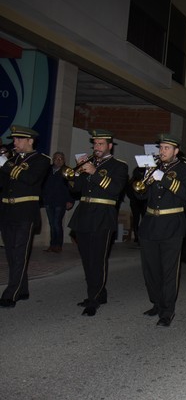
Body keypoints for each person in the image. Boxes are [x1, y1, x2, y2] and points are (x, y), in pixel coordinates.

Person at [135, 134, 186, 327]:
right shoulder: (153, 167)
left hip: (172, 224)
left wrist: (164, 179)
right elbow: (140, 195)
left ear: (176, 151)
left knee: (168, 271)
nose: (162, 152)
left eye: (167, 148)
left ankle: (167, 311)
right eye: (160, 148)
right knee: (150, 269)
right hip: (151, 223)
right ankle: (156, 303)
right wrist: (144, 183)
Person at [67, 129, 128, 317]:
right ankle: (98, 293)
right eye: (95, 144)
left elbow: (115, 190)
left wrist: (94, 173)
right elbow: (76, 190)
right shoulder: (88, 164)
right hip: (83, 215)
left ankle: (93, 299)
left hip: (102, 215)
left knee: (98, 259)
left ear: (110, 146)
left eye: (101, 144)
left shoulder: (119, 166)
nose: (97, 147)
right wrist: (76, 174)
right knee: (86, 259)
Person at [0, 126, 50, 308]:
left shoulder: (41, 160)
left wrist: (6, 164)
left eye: (19, 139)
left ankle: (10, 293)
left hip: (25, 212)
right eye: (14, 140)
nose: (15, 143)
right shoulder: (11, 159)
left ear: (30, 141)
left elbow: (30, 179)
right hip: (6, 210)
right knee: (12, 253)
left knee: (20, 252)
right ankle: (23, 289)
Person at [42, 152, 75, 253]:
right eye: (56, 158)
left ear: (64, 160)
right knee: (52, 224)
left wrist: (70, 200)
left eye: (61, 158)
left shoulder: (68, 171)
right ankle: (52, 245)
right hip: (48, 200)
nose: (58, 160)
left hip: (60, 201)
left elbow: (72, 187)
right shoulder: (47, 170)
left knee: (57, 223)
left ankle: (58, 245)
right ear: (53, 159)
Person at [126, 166, 147, 244]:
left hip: (138, 202)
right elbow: (129, 193)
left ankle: (138, 236)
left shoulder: (132, 181)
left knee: (138, 219)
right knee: (137, 219)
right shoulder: (133, 182)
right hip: (137, 202)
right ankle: (137, 236)